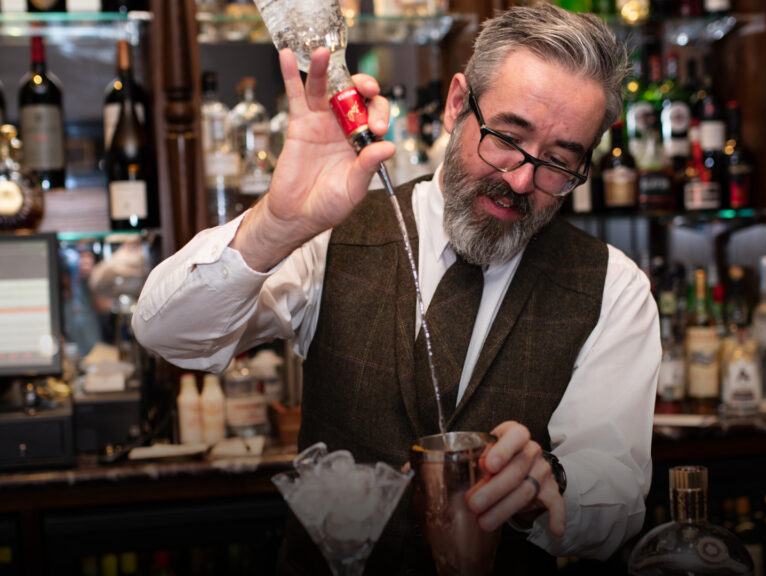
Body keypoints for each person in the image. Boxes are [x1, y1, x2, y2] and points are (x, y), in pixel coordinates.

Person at [133, 4, 659, 574]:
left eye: (559, 162)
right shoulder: (337, 229)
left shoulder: (614, 287)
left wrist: (549, 484)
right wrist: (278, 223)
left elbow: (620, 497)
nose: (521, 179)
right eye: (506, 137)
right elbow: (169, 334)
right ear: (458, 103)